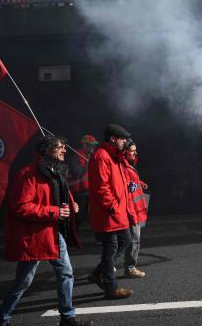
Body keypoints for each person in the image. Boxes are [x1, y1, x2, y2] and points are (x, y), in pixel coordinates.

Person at [0, 135, 92, 326]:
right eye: (59, 147)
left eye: (64, 147)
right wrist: (55, 212)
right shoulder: (28, 174)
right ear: (45, 150)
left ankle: (67, 318)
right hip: (35, 236)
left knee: (66, 273)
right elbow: (20, 206)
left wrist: (72, 204)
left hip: (52, 234)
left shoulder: (55, 172)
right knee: (23, 282)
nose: (64, 150)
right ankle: (2, 320)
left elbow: (59, 192)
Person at [87, 124, 136, 299]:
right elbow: (102, 189)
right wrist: (114, 207)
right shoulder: (101, 156)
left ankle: (97, 274)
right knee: (111, 248)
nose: (125, 142)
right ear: (113, 139)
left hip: (116, 212)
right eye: (122, 139)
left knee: (124, 241)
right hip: (109, 213)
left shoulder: (113, 155)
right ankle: (110, 287)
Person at [120, 139, 150, 278]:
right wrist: (132, 214)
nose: (135, 153)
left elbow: (132, 184)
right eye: (132, 150)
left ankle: (108, 267)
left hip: (137, 209)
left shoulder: (128, 165)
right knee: (133, 239)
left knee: (130, 240)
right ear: (125, 152)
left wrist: (140, 183)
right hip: (132, 211)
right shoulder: (123, 167)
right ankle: (129, 268)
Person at [68, 134, 99, 229]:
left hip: (91, 192)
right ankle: (73, 239)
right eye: (91, 144)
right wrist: (87, 164)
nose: (93, 146)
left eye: (94, 144)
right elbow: (76, 174)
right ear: (85, 145)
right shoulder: (75, 156)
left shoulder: (94, 156)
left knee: (96, 216)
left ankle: (99, 239)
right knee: (78, 218)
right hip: (79, 193)